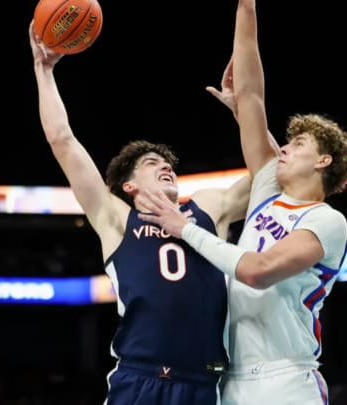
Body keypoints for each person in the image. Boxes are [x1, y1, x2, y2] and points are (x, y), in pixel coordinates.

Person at [134, 0, 347, 403]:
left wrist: (184, 228)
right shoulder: (268, 189)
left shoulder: (327, 221)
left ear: (323, 161)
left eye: (299, 144)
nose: (285, 148)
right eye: (286, 142)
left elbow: (258, 270)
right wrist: (246, 8)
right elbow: (253, 95)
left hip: (287, 378)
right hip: (230, 381)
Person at [27, 21, 252, 405]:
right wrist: (43, 71)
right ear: (129, 186)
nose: (166, 166)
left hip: (205, 382)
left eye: (169, 164)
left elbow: (270, 175)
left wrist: (243, 114)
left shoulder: (209, 207)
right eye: (152, 162)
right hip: (140, 379)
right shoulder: (116, 219)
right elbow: (62, 142)